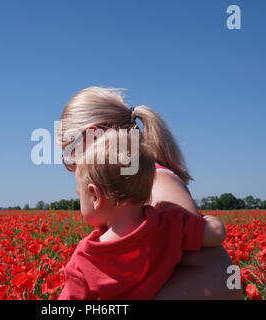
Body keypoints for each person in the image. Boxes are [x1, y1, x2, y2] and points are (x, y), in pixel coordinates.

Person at [58, 86, 241, 299]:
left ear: (91, 136)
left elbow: (218, 276)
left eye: (69, 154)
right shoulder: (138, 186)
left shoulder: (157, 183)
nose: (71, 167)